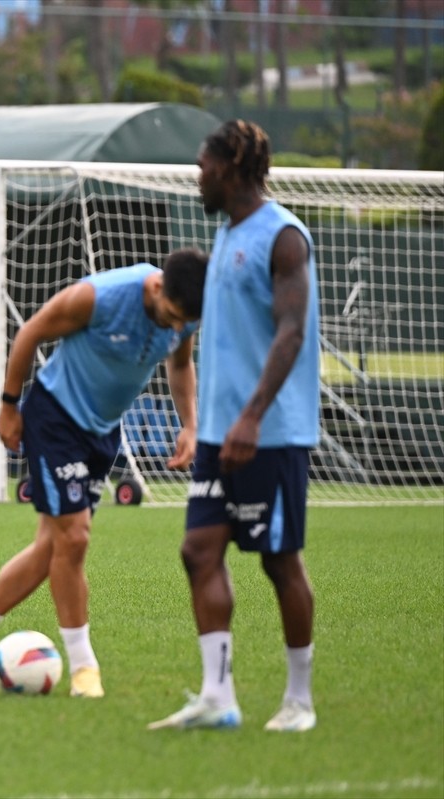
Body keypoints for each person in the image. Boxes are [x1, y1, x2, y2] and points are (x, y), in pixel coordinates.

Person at [0, 248, 209, 698]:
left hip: (102, 432)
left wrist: (190, 424)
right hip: (54, 420)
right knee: (75, 538)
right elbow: (30, 334)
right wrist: (7, 407)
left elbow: (180, 366)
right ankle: (85, 668)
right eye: (172, 316)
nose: (176, 328)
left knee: (52, 548)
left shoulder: (187, 314)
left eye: (185, 322)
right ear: (157, 288)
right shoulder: (99, 297)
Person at [149, 121, 320, 733]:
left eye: (203, 165)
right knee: (198, 552)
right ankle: (217, 696)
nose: (197, 175)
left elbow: (292, 332)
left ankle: (299, 700)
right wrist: (204, 423)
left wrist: (251, 415)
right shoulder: (225, 237)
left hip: (270, 434)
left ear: (232, 166)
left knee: (279, 562)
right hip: (221, 435)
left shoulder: (283, 238)